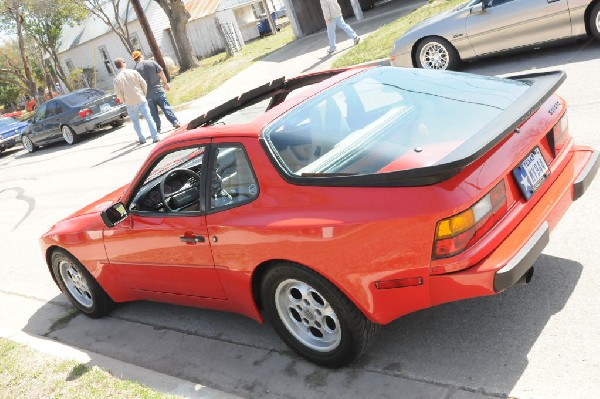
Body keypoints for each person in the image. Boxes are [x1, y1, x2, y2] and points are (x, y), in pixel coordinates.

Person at [131, 50, 181, 134]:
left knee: (153, 112)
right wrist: (165, 83)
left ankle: (157, 129)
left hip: (147, 95)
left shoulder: (135, 70)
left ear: (135, 59)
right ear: (141, 56)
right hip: (158, 90)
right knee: (166, 107)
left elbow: (137, 84)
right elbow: (161, 73)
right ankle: (175, 122)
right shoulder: (152, 62)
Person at [113, 58, 160, 144]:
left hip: (129, 102)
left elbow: (118, 93)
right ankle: (155, 137)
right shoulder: (133, 72)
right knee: (149, 118)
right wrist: (144, 93)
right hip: (140, 98)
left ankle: (142, 138)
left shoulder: (117, 79)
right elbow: (143, 83)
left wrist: (124, 100)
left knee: (135, 122)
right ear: (123, 63)